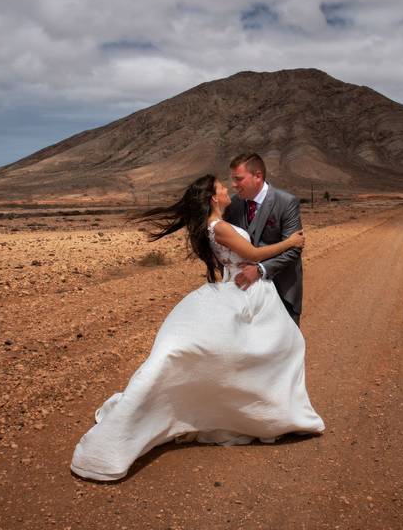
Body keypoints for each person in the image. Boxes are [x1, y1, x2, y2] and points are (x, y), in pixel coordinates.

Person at [69, 174, 325, 481]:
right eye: (221, 187)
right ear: (214, 198)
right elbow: (254, 255)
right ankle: (267, 415)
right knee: (273, 350)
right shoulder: (219, 226)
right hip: (244, 289)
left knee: (276, 348)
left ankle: (264, 411)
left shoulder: (217, 224)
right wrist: (291, 242)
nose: (227, 189)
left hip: (245, 288)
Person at [224, 153, 304, 325]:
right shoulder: (234, 204)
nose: (233, 185)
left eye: (238, 179)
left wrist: (260, 269)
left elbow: (294, 249)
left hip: (282, 288)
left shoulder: (286, 202)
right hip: (244, 290)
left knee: (284, 346)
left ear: (258, 176)